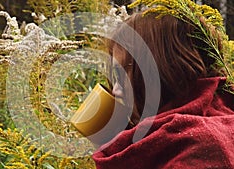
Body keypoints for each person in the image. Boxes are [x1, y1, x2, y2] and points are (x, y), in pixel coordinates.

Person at [92, 2, 234, 169]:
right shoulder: (207, 127)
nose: (116, 91)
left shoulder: (201, 148)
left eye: (123, 74)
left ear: (158, 70)